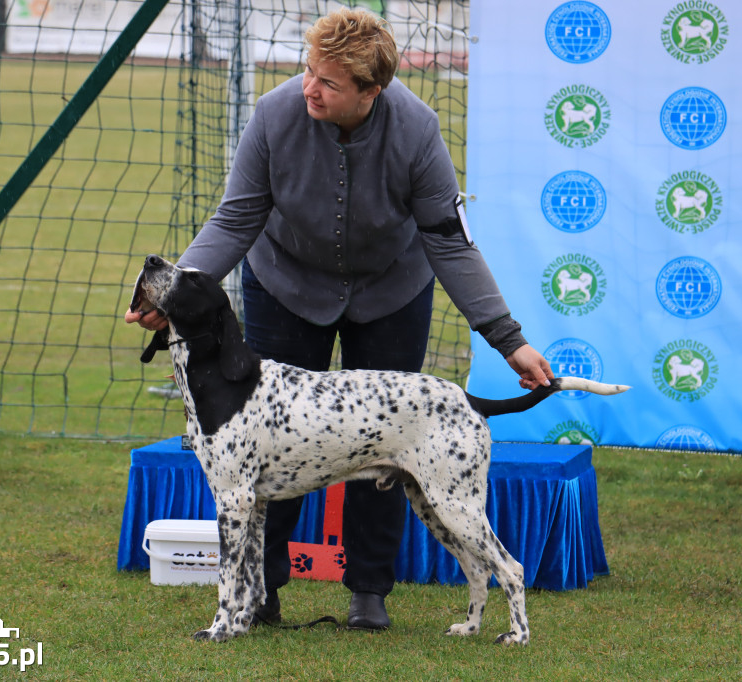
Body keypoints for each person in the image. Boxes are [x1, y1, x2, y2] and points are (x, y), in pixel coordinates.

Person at [125, 7, 554, 631]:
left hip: (390, 293)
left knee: (388, 442)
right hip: (286, 286)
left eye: (328, 81)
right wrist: (176, 299)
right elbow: (235, 218)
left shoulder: (417, 129)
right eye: (308, 71)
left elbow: (450, 243)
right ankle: (260, 596)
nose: (309, 87)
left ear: (370, 91)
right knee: (263, 449)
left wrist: (507, 340)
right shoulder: (274, 116)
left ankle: (369, 593)